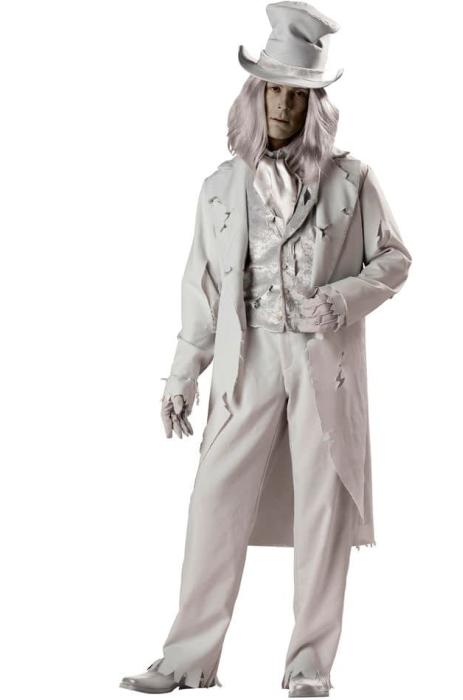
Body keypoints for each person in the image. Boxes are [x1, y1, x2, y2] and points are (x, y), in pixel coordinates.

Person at [120, 2, 412, 696]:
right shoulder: (220, 188)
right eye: (273, 91)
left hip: (322, 363)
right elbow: (202, 290)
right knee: (213, 501)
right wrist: (183, 375)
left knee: (322, 508)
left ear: (315, 106)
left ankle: (309, 667)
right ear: (254, 96)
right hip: (246, 357)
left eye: (297, 95)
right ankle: (187, 658)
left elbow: (395, 258)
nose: (282, 105)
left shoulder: (352, 181)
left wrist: (341, 299)